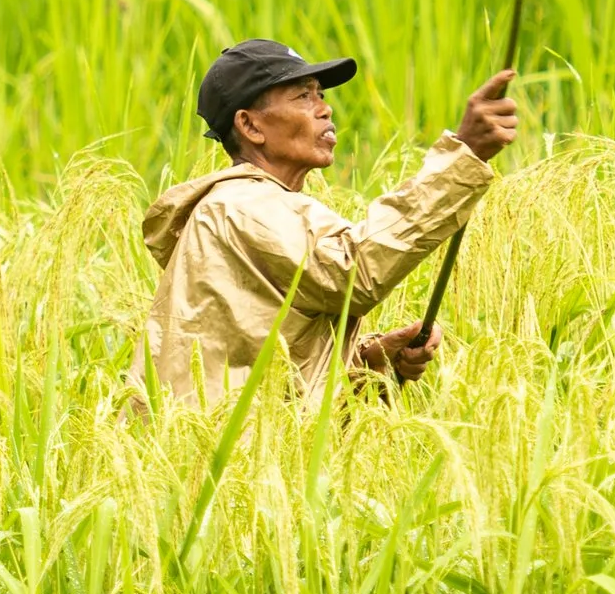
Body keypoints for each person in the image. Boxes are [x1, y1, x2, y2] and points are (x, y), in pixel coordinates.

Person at [137, 37, 519, 408]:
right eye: (303, 96)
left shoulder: (244, 207)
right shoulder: (242, 205)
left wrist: (370, 362)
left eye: (320, 94)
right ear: (250, 126)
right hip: (222, 461)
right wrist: (464, 156)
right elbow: (355, 272)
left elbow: (266, 368)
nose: (324, 109)